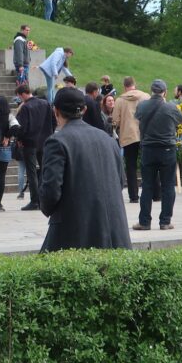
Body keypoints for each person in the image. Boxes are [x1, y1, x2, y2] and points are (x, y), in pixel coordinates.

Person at [38, 87, 132, 251]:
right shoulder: (108, 140)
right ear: (84, 109)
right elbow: (120, 181)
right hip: (115, 232)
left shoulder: (57, 141)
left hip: (75, 231)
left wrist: (46, 207)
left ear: (56, 111)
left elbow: (51, 190)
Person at [132, 79, 182, 231]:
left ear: (151, 91)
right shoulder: (170, 107)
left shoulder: (142, 105)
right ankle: (165, 221)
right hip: (167, 149)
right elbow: (180, 119)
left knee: (147, 186)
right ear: (164, 92)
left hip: (148, 149)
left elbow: (137, 117)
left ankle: (144, 222)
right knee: (168, 186)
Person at [16, 83, 55, 211]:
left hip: (30, 143)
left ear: (23, 94)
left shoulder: (26, 107)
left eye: (19, 96)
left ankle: (35, 201)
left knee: (31, 172)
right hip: (45, 141)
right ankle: (43, 199)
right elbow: (54, 121)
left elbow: (22, 127)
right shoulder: (46, 104)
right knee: (44, 170)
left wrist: (19, 139)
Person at [114, 76, 150, 203]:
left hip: (128, 135)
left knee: (130, 166)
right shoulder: (146, 97)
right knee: (149, 164)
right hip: (145, 134)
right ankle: (155, 193)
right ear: (135, 84)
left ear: (124, 86)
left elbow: (115, 120)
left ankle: (133, 196)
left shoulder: (120, 100)